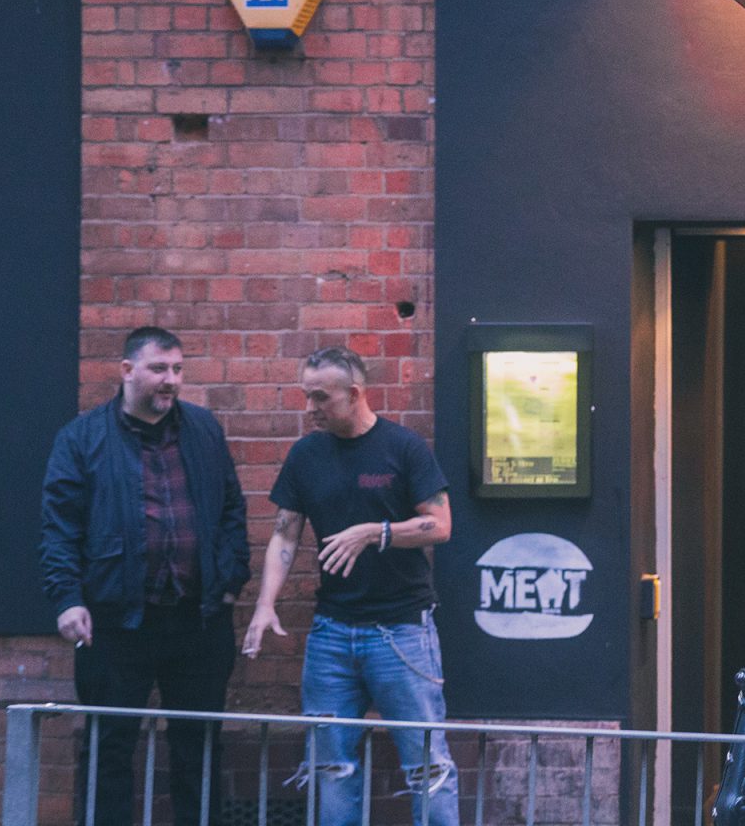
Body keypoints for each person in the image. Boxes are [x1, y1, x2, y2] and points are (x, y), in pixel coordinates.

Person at [38, 326, 251, 826]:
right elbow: (59, 528)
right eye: (159, 368)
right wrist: (68, 598)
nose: (171, 380)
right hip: (115, 624)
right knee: (109, 750)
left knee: (198, 752)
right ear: (127, 370)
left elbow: (232, 512)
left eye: (177, 369)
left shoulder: (202, 429)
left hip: (198, 621)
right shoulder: (82, 438)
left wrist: (228, 580)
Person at [243, 347, 458, 826]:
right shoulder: (306, 454)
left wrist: (375, 532)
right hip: (332, 635)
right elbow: (286, 530)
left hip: (402, 634)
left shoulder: (403, 448)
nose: (310, 408)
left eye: (320, 397)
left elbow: (440, 525)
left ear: (355, 393)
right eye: (306, 396)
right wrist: (264, 605)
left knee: (428, 767)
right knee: (330, 766)